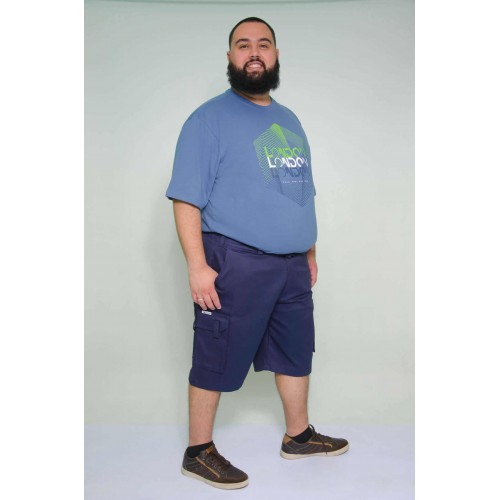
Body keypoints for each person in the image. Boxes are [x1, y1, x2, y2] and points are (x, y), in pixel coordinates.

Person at [166, 17, 348, 490]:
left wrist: (308, 249)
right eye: (243, 45)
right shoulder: (208, 120)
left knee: (295, 351)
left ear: (276, 55)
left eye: (263, 44)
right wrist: (197, 266)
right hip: (235, 260)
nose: (253, 52)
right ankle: (198, 451)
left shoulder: (289, 120)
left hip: (292, 266)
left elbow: (300, 189)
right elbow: (186, 197)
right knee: (217, 350)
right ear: (230, 57)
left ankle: (298, 436)